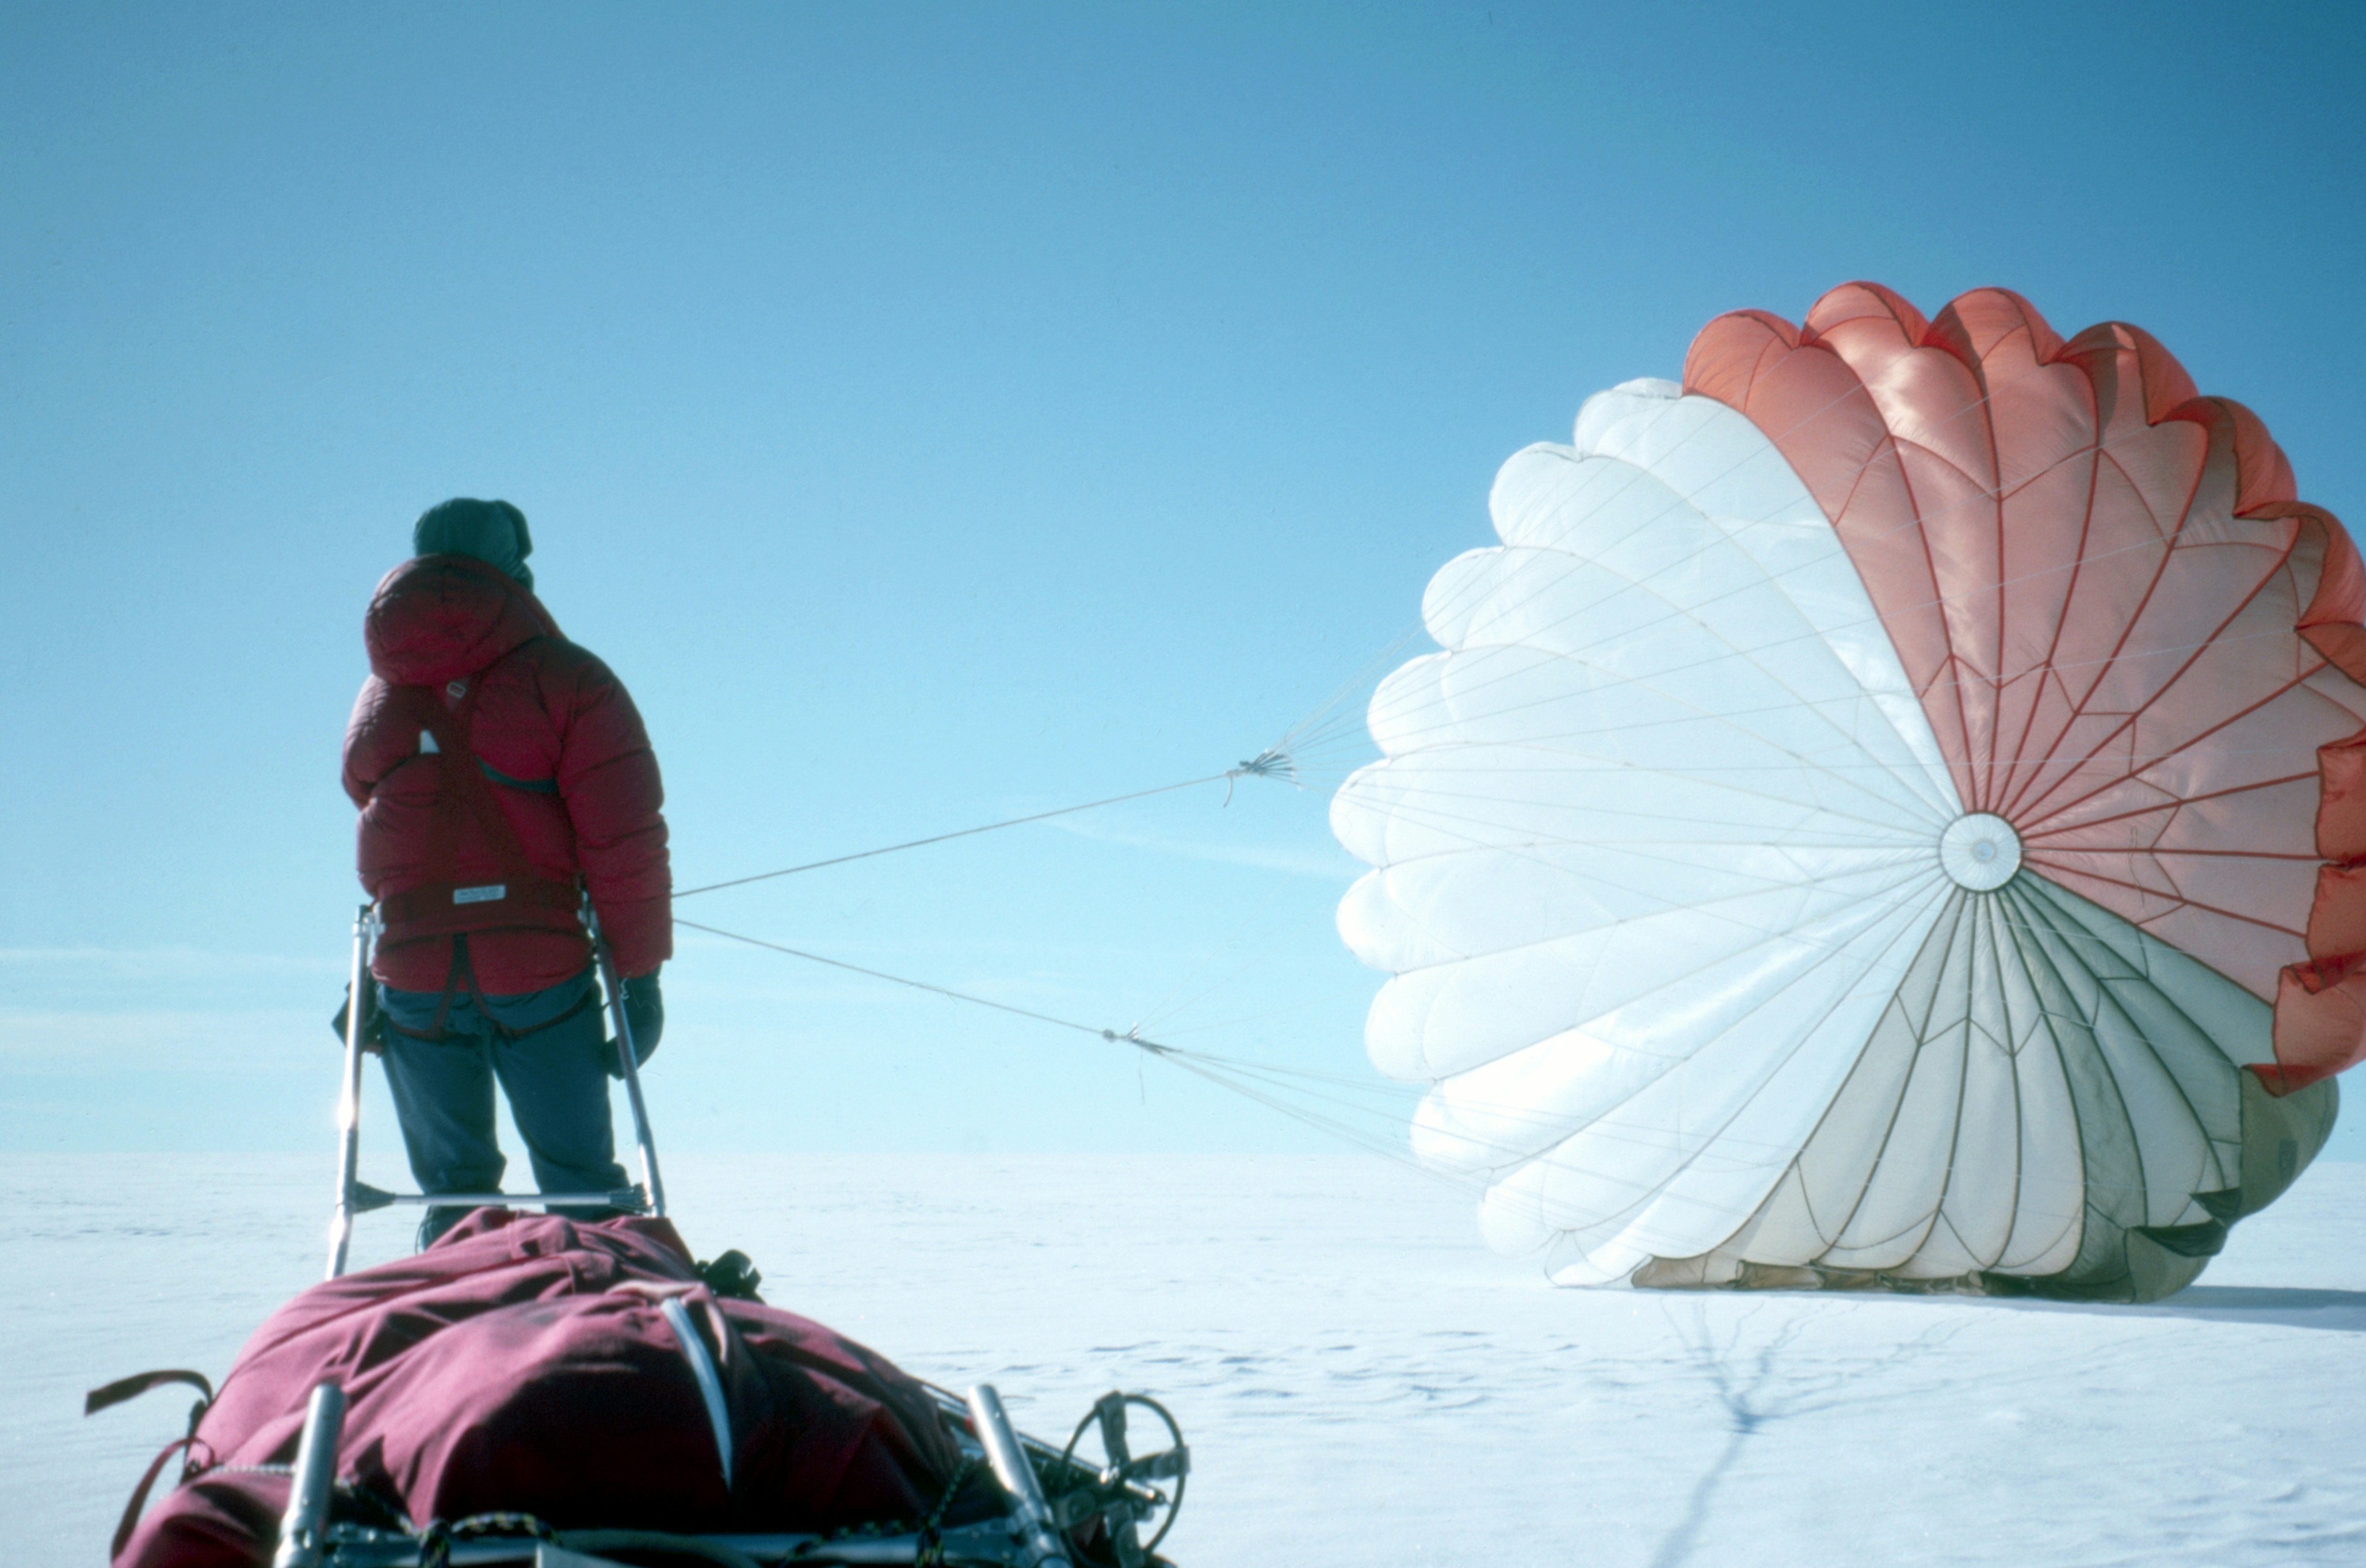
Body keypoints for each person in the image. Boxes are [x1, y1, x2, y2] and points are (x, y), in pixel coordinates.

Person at [341, 498, 671, 1247]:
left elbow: (375, 810)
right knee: (584, 1181)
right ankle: (601, 1319)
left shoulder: (379, 695)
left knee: (454, 1193)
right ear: (514, 569)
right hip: (539, 971)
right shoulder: (570, 678)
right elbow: (625, 841)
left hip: (414, 974)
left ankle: (455, 1324)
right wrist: (640, 977)